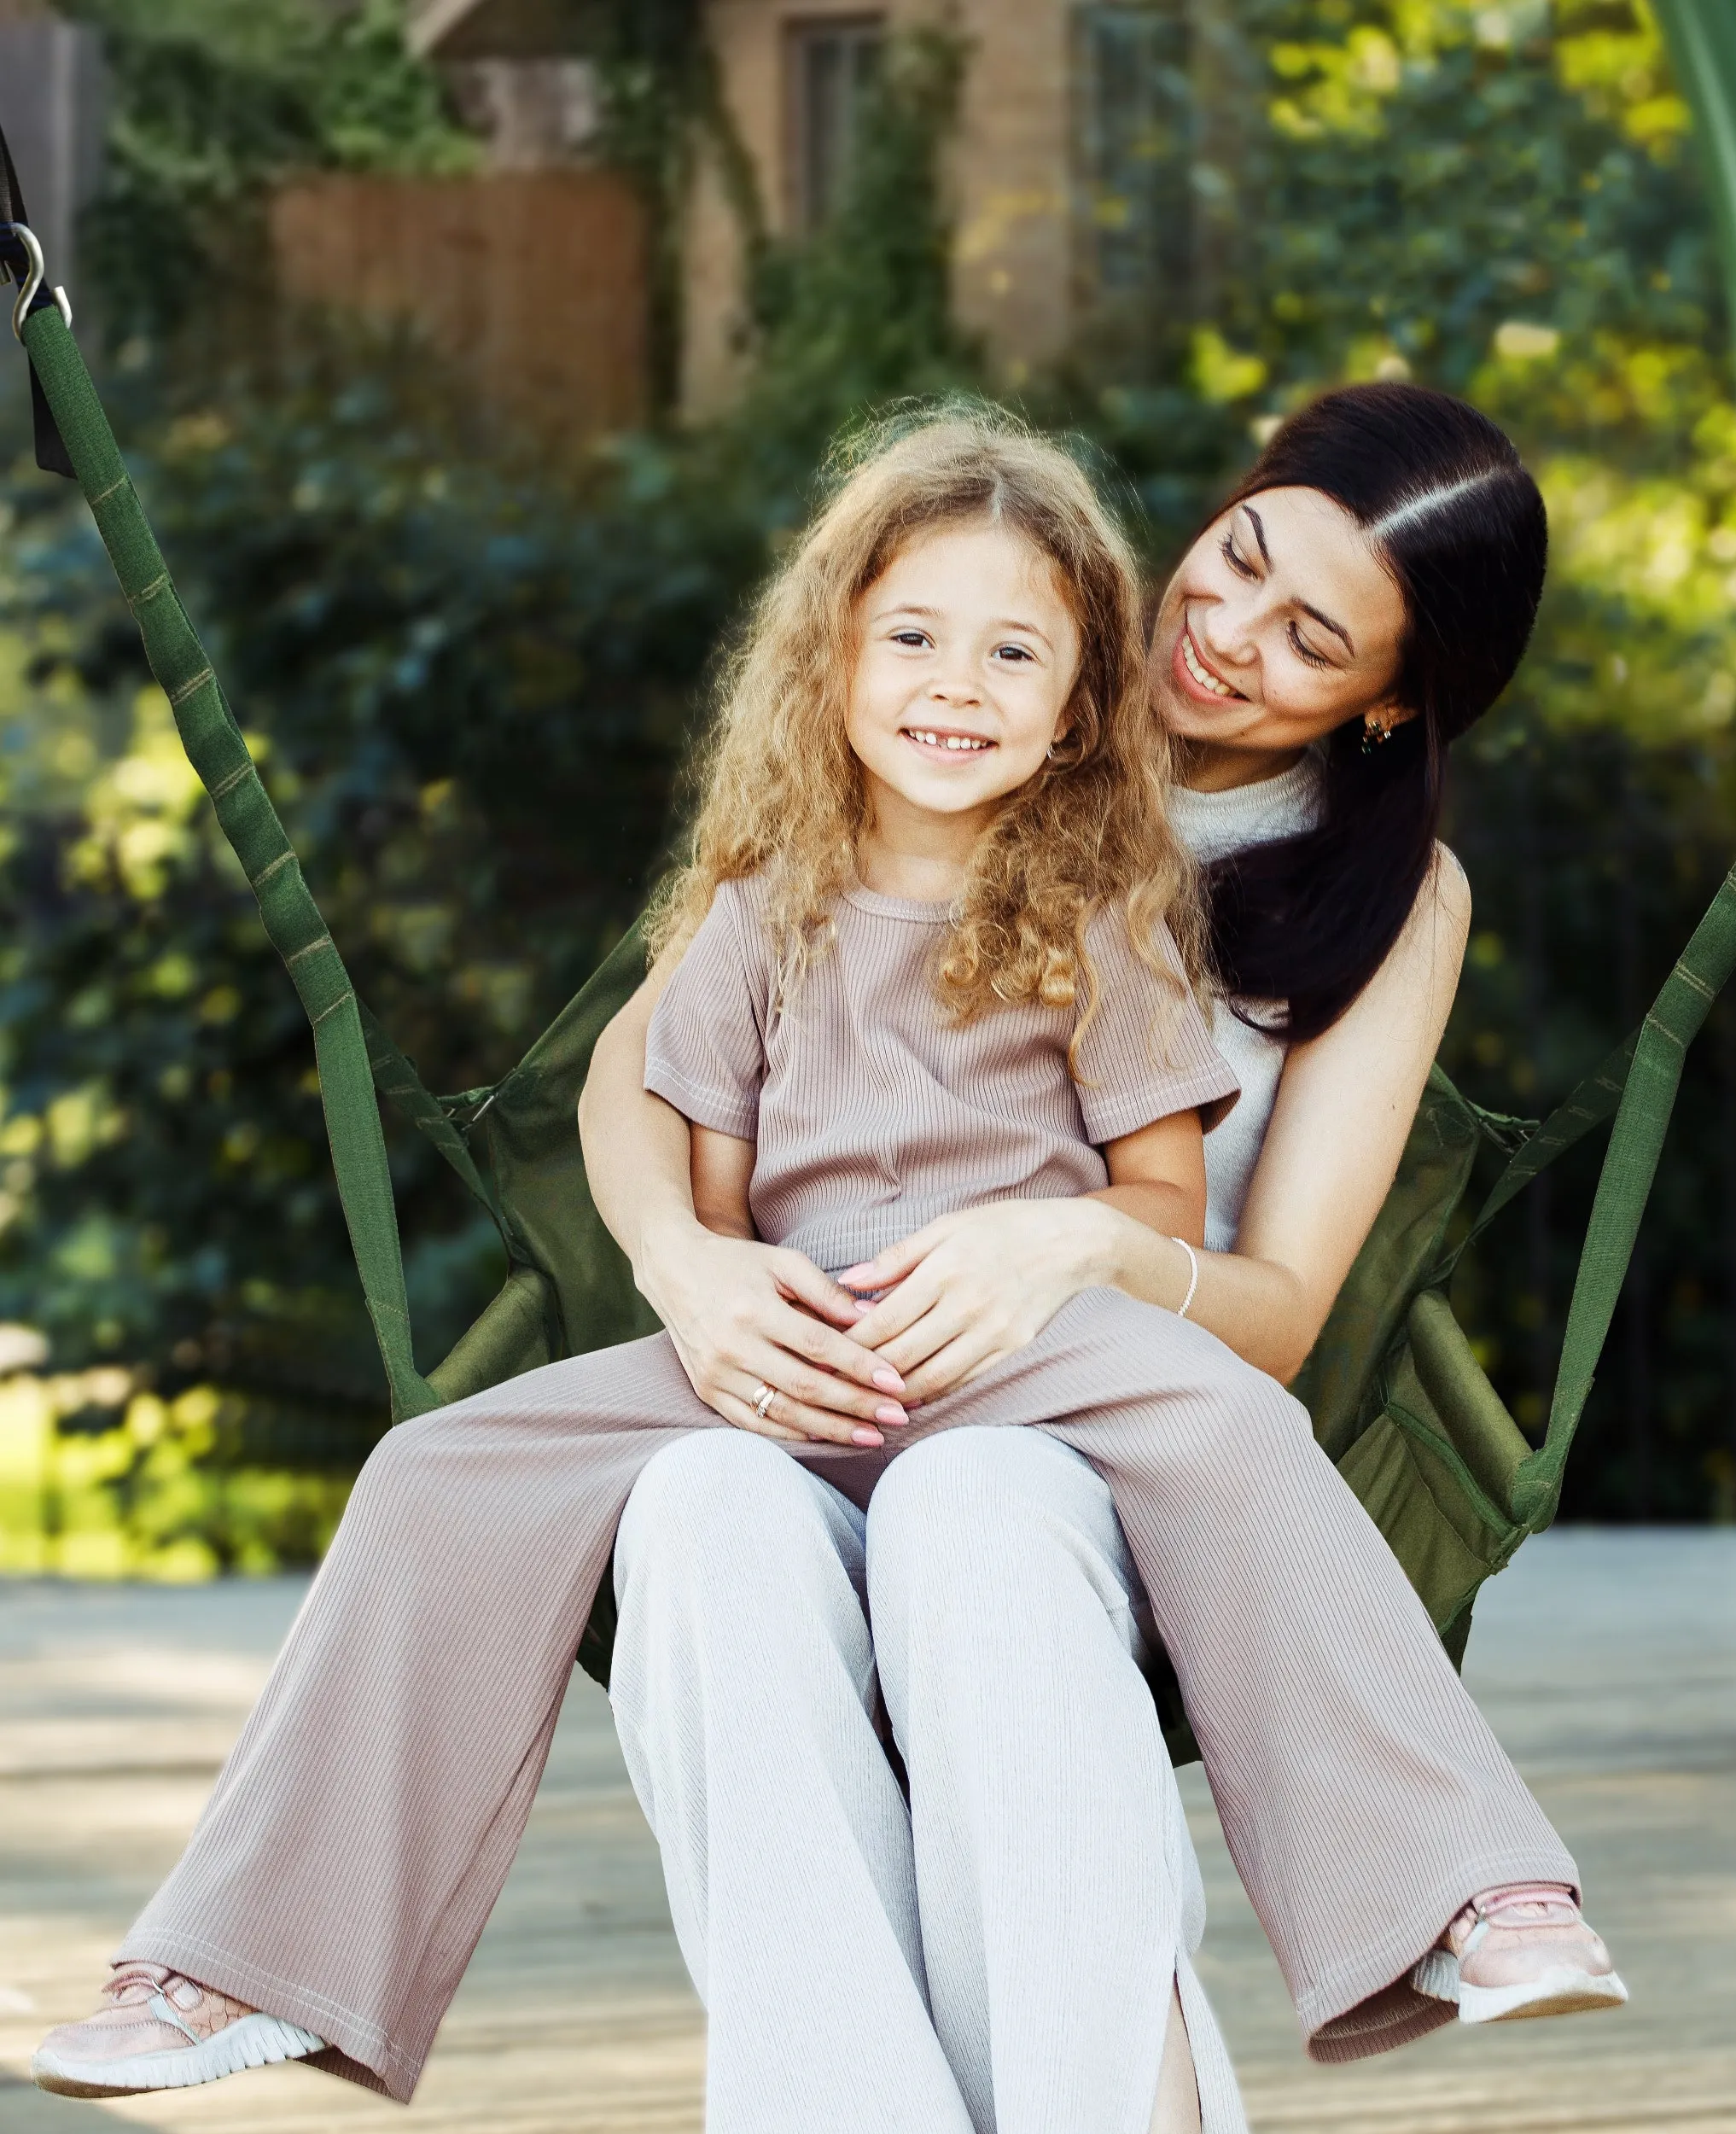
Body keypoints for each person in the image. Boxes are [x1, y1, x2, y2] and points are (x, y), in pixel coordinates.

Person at [34, 395, 1622, 2134]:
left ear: (1388, 698)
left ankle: (1446, 1882)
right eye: (1237, 558)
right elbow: (648, 1094)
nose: (1226, 634)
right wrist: (691, 1271)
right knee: (621, 1504)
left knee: (991, 1516)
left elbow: (1268, 1309)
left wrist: (1075, 1237)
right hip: (788, 1354)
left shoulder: (1354, 898)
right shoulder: (869, 772)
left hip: (1087, 1397)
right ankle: (245, 1958)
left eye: (1309, 636)